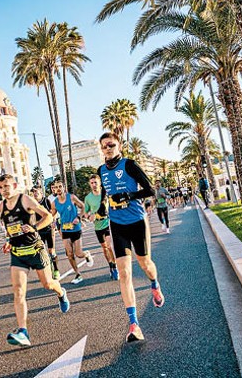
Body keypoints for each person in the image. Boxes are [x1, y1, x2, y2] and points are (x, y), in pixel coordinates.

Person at [98, 133, 165, 343]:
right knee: (124, 273)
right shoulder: (100, 171)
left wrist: (128, 196)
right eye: (104, 146)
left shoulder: (129, 165)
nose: (108, 149)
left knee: (145, 264)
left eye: (111, 145)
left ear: (119, 145)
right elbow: (104, 194)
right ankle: (134, 324)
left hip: (136, 220)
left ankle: (154, 284)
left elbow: (150, 190)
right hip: (117, 224)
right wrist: (101, 206)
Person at [0, 174, 70, 347]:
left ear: (14, 185)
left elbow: (48, 216)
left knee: (48, 284)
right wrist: (8, 242)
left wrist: (34, 228)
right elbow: (9, 228)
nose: (3, 191)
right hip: (18, 253)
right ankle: (23, 331)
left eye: (6, 186)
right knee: (18, 291)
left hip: (36, 250)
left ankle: (61, 293)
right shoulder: (1, 206)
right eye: (0, 188)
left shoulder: (25, 200)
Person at [50, 180, 94, 284]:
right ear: (54, 190)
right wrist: (51, 221)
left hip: (75, 228)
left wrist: (79, 217)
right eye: (56, 187)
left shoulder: (71, 197)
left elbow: (83, 206)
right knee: (69, 254)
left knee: (78, 254)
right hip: (65, 229)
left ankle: (87, 254)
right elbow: (51, 214)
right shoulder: (54, 203)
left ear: (64, 187)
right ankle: (78, 274)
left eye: (60, 186)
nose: (58, 189)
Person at [84, 175, 119, 280]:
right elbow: (86, 213)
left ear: (100, 183)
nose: (94, 185)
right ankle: (111, 266)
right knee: (104, 248)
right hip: (97, 225)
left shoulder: (106, 194)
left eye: (95, 182)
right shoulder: (88, 198)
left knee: (109, 245)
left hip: (107, 222)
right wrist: (90, 216)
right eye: (92, 183)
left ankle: (115, 266)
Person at [30, 186, 60, 280]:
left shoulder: (46, 201)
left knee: (51, 251)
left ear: (41, 193)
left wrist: (53, 221)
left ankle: (56, 270)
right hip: (39, 231)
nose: (35, 194)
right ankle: (47, 272)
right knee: (41, 252)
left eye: (36, 192)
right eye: (33, 193)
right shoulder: (32, 204)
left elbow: (53, 212)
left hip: (48, 229)